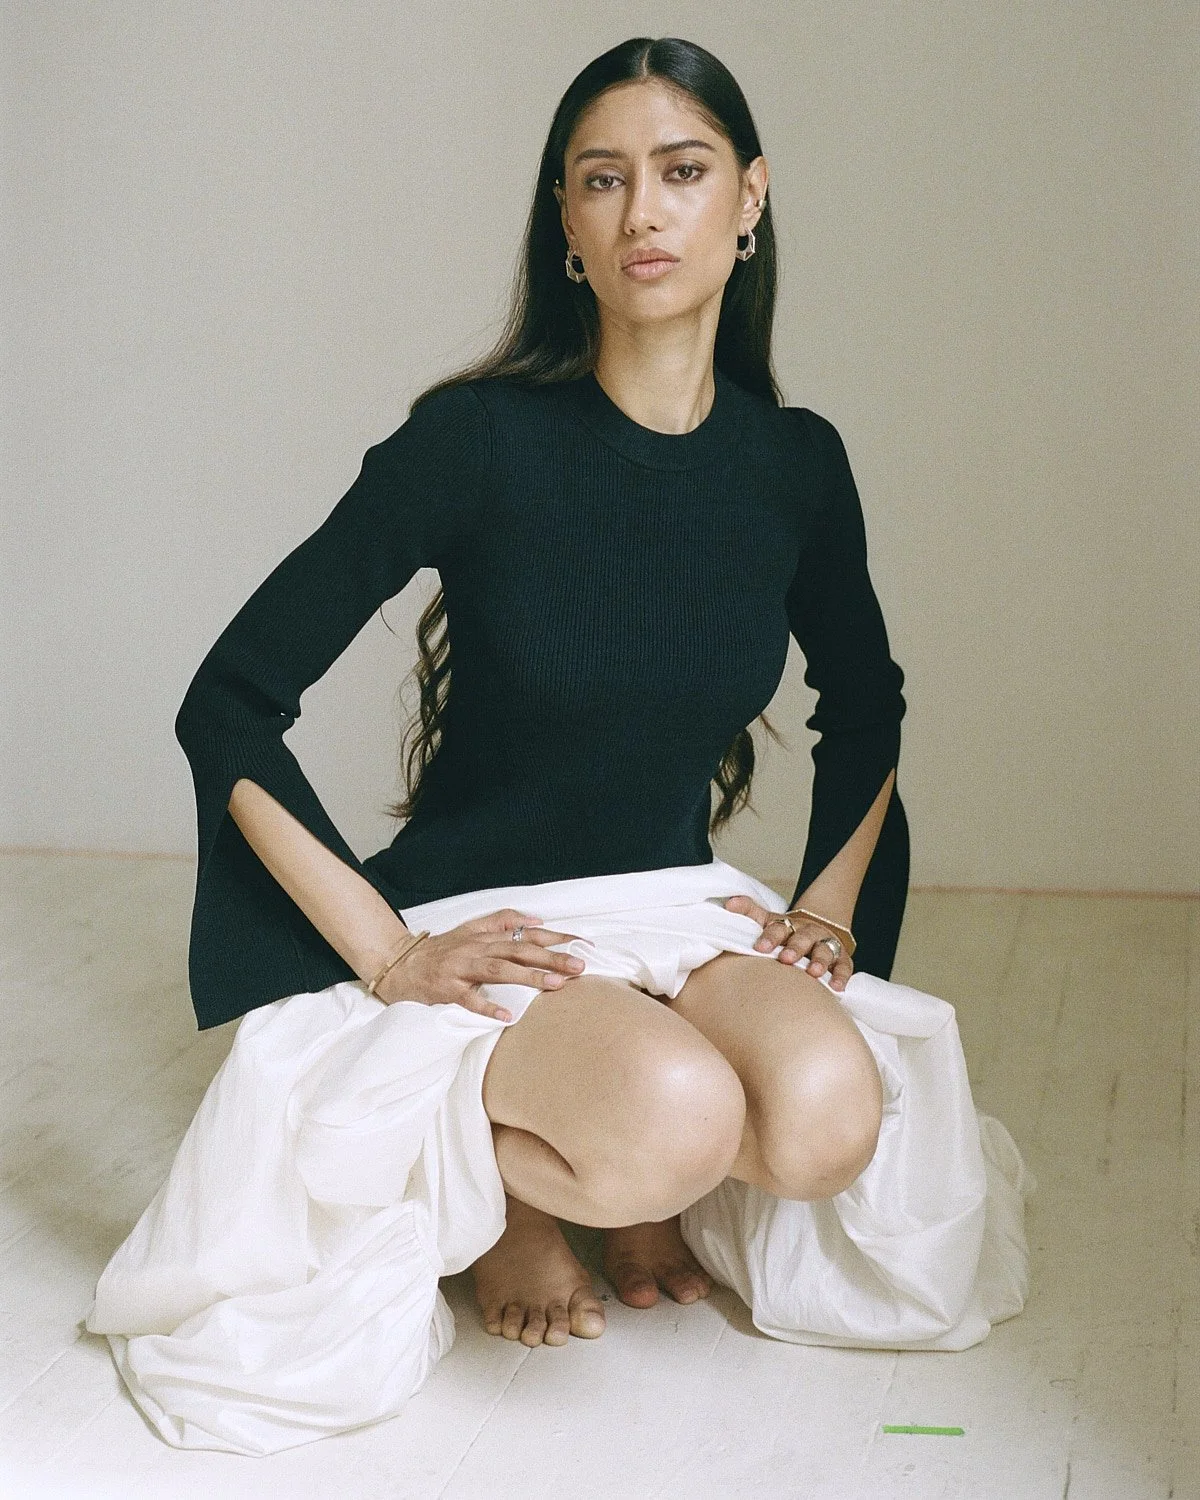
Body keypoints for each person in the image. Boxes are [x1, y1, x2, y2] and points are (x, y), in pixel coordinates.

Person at [86, 38, 1032, 1455]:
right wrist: (389, 952)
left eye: (682, 171)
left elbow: (867, 698)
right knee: (674, 1119)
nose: (644, 210)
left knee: (833, 1118)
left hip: (669, 895)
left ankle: (614, 1151)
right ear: (570, 231)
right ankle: (513, 1203)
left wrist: (828, 901)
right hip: (486, 906)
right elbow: (228, 700)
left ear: (750, 201)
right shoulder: (474, 443)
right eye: (603, 182)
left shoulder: (794, 464)